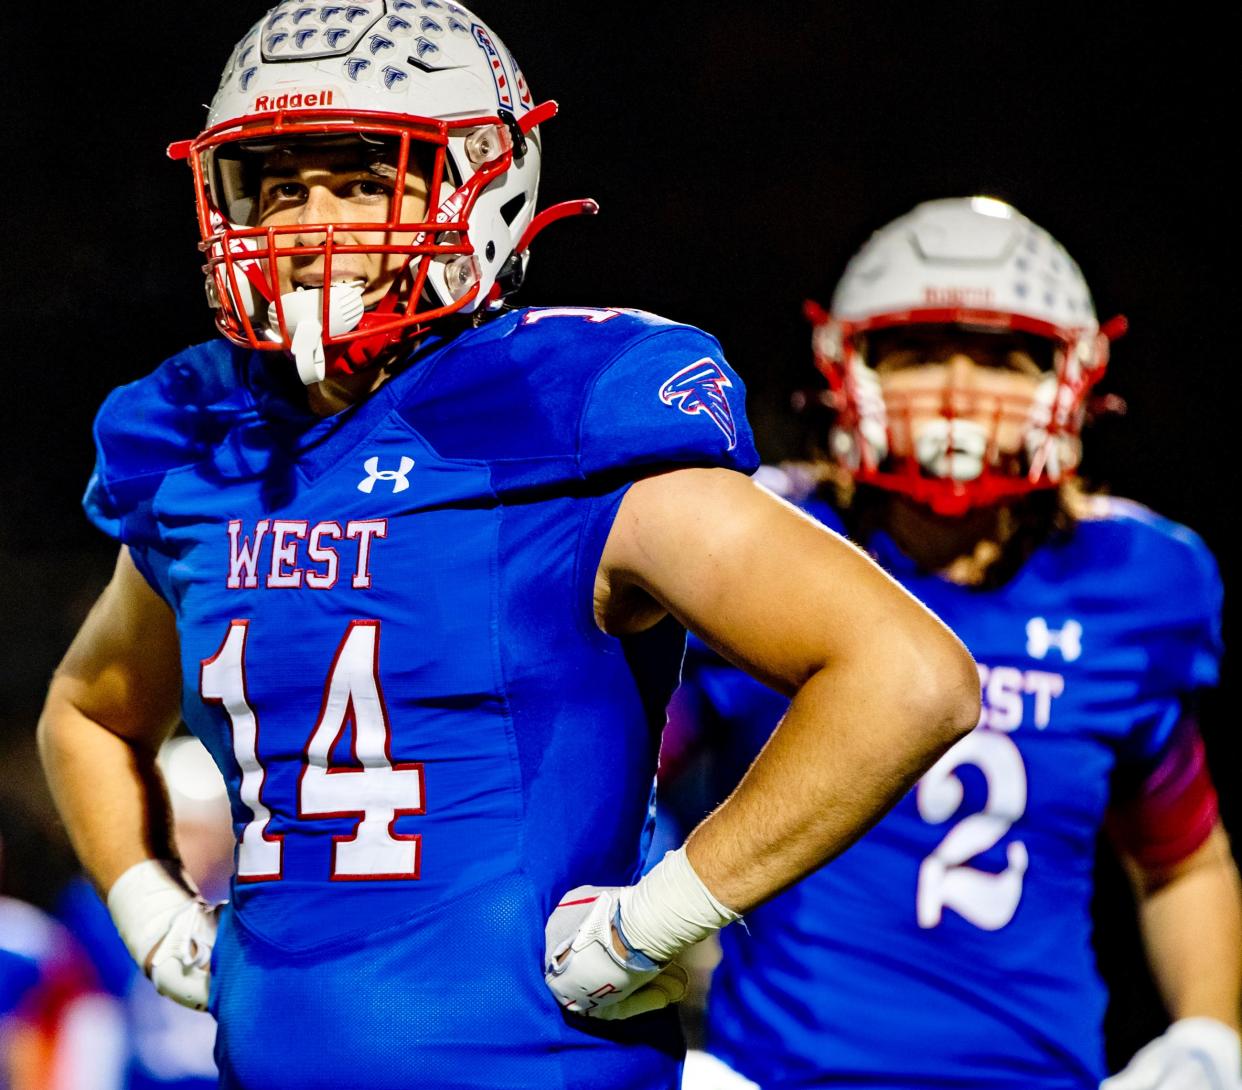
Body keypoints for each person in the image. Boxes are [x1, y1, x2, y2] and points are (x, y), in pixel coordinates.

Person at [34, 6, 979, 1090]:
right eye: (278, 184)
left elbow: (908, 676)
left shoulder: (558, 411)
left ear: (480, 184)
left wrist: (660, 914)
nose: (308, 222)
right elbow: (89, 710)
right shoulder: (207, 448)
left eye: (357, 176)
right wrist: (151, 913)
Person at [673, 197, 1242, 1090]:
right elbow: (604, 790)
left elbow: (1180, 856)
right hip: (781, 1071)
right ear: (846, 368)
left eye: (1006, 358)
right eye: (918, 353)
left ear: (1074, 378)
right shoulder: (765, 546)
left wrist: (1210, 1038)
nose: (959, 388)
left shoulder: (1139, 583)